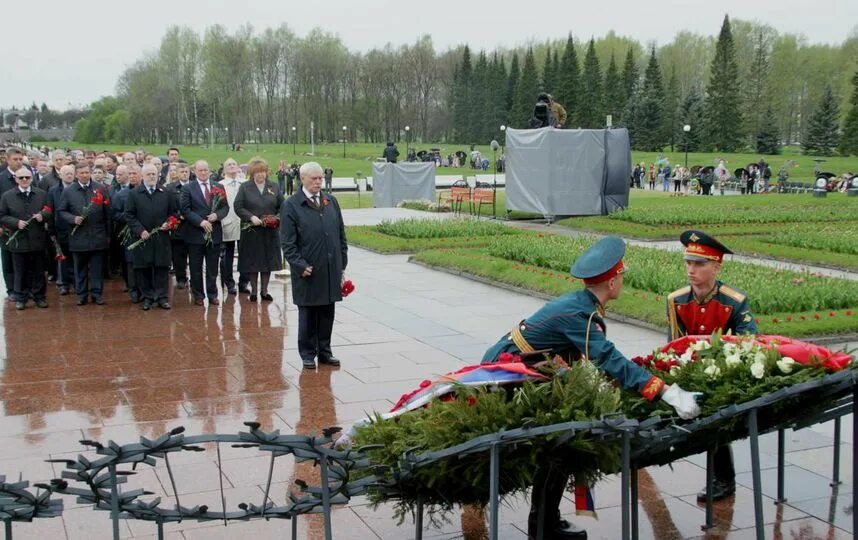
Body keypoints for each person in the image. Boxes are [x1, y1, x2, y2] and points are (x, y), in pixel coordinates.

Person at [483, 236, 701, 540]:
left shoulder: (582, 305)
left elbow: (593, 360)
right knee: (560, 443)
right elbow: (609, 358)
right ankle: (543, 526)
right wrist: (666, 391)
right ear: (611, 283)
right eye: (621, 277)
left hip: (526, 370)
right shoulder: (581, 315)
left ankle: (546, 521)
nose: (622, 281)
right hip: (509, 376)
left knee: (563, 442)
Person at [667, 230, 756, 503]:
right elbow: (674, 344)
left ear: (717, 266)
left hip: (726, 375)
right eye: (688, 263)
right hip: (689, 371)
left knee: (715, 416)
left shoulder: (734, 302)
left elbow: (748, 344)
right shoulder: (677, 300)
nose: (691, 270)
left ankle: (723, 480)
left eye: (700, 264)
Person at [280, 162, 348, 369]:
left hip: (329, 268)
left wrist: (342, 261)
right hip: (308, 271)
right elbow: (287, 243)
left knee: (328, 312)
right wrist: (300, 265)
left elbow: (340, 233)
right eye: (314, 178)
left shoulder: (330, 201)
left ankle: (325, 351)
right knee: (308, 314)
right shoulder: (292, 205)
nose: (319, 182)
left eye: (320, 178)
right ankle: (308, 353)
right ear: (302, 179)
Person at [124, 164, 177, 310]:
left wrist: (169, 223)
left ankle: (162, 297)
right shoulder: (134, 194)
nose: (152, 177)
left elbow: (174, 213)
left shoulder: (166, 192)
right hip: (143, 238)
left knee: (161, 267)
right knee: (144, 268)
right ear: (142, 176)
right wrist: (140, 230)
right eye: (149, 174)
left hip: (161, 237)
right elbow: (129, 215)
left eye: (154, 174)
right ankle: (147, 297)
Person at [58, 163, 111, 305]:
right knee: (79, 268)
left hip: (97, 235)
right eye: (81, 173)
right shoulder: (68, 191)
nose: (84, 175)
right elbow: (61, 211)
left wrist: (107, 235)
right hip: (78, 237)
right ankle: (81, 295)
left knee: (97, 268)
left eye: (87, 172)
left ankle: (97, 294)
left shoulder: (100, 188)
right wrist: (73, 219)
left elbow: (107, 213)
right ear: (76, 175)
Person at [0, 167, 50, 310]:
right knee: (20, 270)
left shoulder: (41, 194)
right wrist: (16, 223)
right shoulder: (7, 196)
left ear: (32, 178)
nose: (24, 180)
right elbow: (2, 215)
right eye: (21, 178)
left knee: (38, 270)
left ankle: (39, 296)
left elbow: (49, 211)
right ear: (15, 179)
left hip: (37, 239)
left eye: (27, 177)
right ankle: (21, 297)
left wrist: (43, 216)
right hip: (19, 241)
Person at [181, 160, 228, 306]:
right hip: (195, 234)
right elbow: (185, 210)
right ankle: (198, 295)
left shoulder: (218, 186)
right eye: (200, 170)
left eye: (205, 170)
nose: (203, 173)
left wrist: (217, 216)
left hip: (214, 233)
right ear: (195, 171)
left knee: (212, 267)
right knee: (195, 267)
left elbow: (225, 207)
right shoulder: (188, 188)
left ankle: (212, 294)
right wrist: (201, 222)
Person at [235, 159, 283, 302]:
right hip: (252, 231)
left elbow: (283, 206)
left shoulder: (274, 186)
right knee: (253, 262)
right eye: (257, 172)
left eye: (262, 171)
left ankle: (264, 291)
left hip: (269, 231)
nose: (260, 175)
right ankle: (254, 292)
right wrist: (251, 217)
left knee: (267, 262)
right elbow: (238, 206)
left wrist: (276, 219)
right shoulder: (245, 187)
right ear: (252, 173)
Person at [218, 158, 248, 295]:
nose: (231, 166)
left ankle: (244, 282)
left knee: (245, 254)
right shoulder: (219, 185)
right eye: (228, 164)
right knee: (227, 255)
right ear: (224, 169)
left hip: (244, 223)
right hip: (227, 222)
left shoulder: (245, 184)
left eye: (234, 164)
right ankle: (228, 282)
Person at [113, 164, 141, 302]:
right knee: (130, 262)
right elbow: (115, 214)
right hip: (129, 233)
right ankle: (133, 289)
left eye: (135, 173)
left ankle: (145, 289)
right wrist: (130, 217)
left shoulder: (147, 192)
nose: (132, 177)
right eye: (130, 174)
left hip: (146, 233)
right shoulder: (121, 194)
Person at [48, 164, 75, 295]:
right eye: (66, 173)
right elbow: (50, 211)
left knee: (76, 258)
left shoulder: (78, 189)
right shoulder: (54, 191)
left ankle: (77, 282)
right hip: (61, 229)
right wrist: (52, 231)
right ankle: (64, 283)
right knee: (63, 258)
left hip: (77, 229)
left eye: (71, 173)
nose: (69, 176)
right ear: (60, 175)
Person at [169, 163, 191, 289]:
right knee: (178, 256)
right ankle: (181, 278)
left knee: (194, 256)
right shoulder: (170, 188)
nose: (184, 174)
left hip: (193, 225)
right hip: (178, 227)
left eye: (186, 171)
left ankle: (194, 278)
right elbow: (168, 207)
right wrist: (178, 216)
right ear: (177, 173)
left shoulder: (194, 186)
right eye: (181, 171)